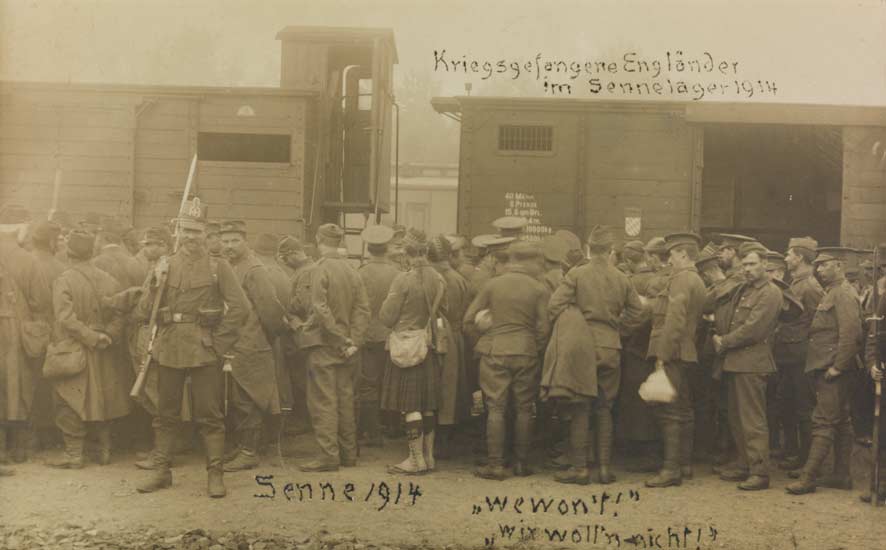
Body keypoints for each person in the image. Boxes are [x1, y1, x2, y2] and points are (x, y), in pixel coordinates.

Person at [136, 200, 250, 498]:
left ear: (205, 233)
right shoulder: (164, 263)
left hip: (203, 349)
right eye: (185, 230)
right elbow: (143, 311)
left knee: (210, 415)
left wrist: (218, 343)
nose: (190, 236)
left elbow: (240, 308)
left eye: (196, 231)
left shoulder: (217, 266)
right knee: (165, 413)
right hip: (170, 347)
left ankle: (215, 474)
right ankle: (162, 472)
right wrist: (154, 283)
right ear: (177, 230)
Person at [547, 226, 645, 485]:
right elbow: (638, 313)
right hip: (611, 346)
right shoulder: (622, 278)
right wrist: (617, 330)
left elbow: (554, 305)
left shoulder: (577, 274)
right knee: (604, 409)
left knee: (580, 407)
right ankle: (604, 469)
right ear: (611, 251)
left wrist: (573, 326)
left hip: (582, 347)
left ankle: (579, 469)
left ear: (589, 249)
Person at [46, 230, 131, 468]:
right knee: (102, 398)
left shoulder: (64, 279)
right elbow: (121, 314)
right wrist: (107, 336)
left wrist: (90, 337)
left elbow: (65, 318)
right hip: (104, 350)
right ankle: (104, 451)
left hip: (75, 349)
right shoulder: (109, 279)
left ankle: (74, 455)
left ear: (69, 253)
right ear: (92, 252)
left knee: (68, 399)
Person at [465, 241, 548, 480]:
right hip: (526, 351)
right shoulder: (538, 288)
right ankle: (521, 464)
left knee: (495, 408)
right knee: (524, 409)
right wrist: (534, 347)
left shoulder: (492, 285)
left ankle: (495, 465)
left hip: (495, 351)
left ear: (512, 260)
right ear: (529, 262)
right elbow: (544, 328)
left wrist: (483, 344)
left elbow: (468, 320)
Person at [786, 249, 862, 495]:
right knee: (841, 421)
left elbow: (851, 335)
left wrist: (838, 366)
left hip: (833, 368)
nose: (818, 270)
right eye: (817, 266)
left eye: (824, 265)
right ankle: (841, 475)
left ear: (838, 265)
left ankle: (808, 477)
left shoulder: (844, 294)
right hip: (824, 365)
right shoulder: (833, 292)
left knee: (823, 421)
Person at [296, 223, 369, 472]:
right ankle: (348, 454)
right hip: (347, 349)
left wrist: (338, 338)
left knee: (322, 401)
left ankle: (328, 457)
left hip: (325, 345)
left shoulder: (319, 270)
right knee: (345, 399)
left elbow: (319, 308)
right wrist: (353, 342)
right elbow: (363, 310)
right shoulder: (353, 271)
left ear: (318, 239)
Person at [712, 242, 783, 491]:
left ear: (765, 264)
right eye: (745, 265)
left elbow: (755, 329)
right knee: (736, 418)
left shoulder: (770, 293)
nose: (748, 269)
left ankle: (760, 471)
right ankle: (744, 464)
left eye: (753, 264)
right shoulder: (745, 289)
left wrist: (725, 341)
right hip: (736, 362)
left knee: (752, 420)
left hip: (753, 362)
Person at [218, 220, 286, 472]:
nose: (229, 246)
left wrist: (264, 337)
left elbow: (270, 309)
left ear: (245, 241)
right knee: (237, 397)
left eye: (235, 240)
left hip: (251, 342)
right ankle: (244, 446)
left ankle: (249, 452)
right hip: (233, 342)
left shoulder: (254, 269)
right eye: (225, 241)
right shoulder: (228, 266)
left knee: (250, 397)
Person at [380, 229, 446, 475]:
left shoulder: (403, 280)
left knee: (410, 406)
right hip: (427, 345)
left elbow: (387, 317)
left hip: (406, 346)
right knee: (427, 404)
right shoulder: (439, 278)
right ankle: (428, 458)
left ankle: (414, 459)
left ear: (407, 255)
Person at [645, 232, 707, 488]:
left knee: (670, 411)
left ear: (683, 254)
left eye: (671, 254)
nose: (668, 259)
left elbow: (675, 320)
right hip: (686, 351)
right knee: (683, 409)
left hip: (673, 351)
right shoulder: (696, 280)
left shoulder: (682, 280)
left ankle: (671, 470)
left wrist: (663, 353)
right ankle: (684, 464)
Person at [774, 237, 823, 472]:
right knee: (785, 402)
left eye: (788, 254)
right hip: (789, 355)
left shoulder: (810, 287)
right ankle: (792, 450)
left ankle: (806, 460)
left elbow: (818, 323)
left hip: (801, 356)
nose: (785, 258)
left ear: (800, 257)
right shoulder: (796, 283)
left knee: (804, 408)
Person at [0, 204, 38, 466]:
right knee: (17, 386)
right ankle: (18, 450)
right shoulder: (27, 259)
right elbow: (39, 301)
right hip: (15, 329)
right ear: (21, 229)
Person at [356, 225, 401, 448]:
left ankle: (372, 433)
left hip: (369, 335)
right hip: (393, 335)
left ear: (369, 249)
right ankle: (393, 426)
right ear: (387, 248)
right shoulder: (398, 273)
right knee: (392, 382)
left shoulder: (361, 272)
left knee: (369, 384)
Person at [429, 235, 471, 458]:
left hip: (440, 337)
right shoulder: (457, 278)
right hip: (454, 337)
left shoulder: (435, 278)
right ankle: (447, 437)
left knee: (442, 388)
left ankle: (441, 441)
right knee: (450, 389)